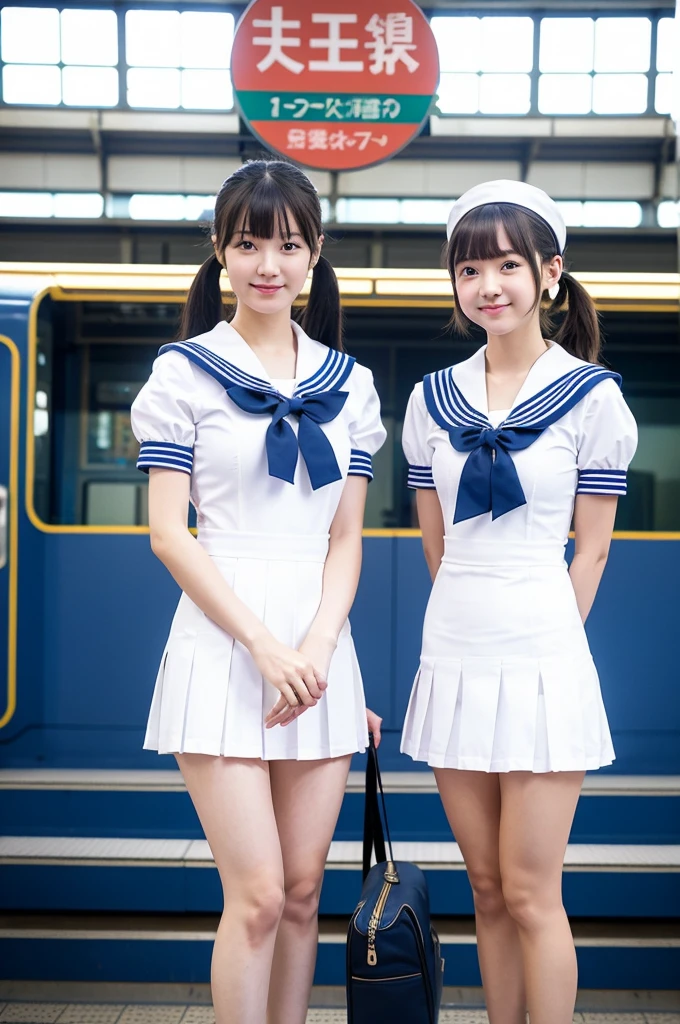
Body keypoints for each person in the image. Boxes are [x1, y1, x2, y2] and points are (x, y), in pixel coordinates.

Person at [130, 159, 385, 1024]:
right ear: (219, 252)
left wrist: (312, 649)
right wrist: (264, 646)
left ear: (314, 254)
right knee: (261, 896)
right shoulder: (182, 376)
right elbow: (171, 533)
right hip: (223, 645)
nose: (266, 263)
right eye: (247, 244)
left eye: (286, 244)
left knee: (309, 892)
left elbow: (346, 536)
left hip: (318, 648)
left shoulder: (351, 386)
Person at [400, 180, 637, 1024]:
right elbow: (436, 544)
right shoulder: (431, 399)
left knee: (535, 892)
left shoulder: (592, 398)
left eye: (507, 264)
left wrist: (545, 648)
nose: (488, 284)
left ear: (551, 274)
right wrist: (473, 615)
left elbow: (595, 547)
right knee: (488, 889)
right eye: (470, 268)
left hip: (543, 652)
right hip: (456, 648)